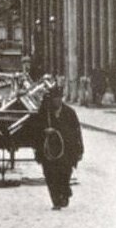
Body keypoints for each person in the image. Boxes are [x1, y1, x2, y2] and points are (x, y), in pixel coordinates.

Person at [34, 78, 84, 209]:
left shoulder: (69, 113)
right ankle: (56, 200)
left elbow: (77, 132)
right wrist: (45, 131)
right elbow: (35, 129)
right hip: (49, 151)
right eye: (54, 98)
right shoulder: (44, 112)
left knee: (64, 173)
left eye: (58, 98)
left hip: (66, 150)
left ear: (61, 98)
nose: (56, 101)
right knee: (50, 175)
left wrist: (80, 150)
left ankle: (64, 192)